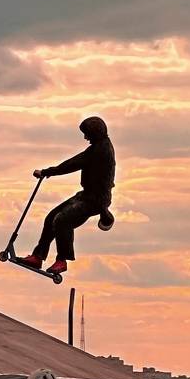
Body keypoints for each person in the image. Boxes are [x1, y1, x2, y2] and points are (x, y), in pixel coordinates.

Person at [22, 116, 116, 277]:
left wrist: (47, 172)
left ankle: (62, 260)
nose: (85, 137)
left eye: (87, 133)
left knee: (62, 220)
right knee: (51, 217)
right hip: (86, 195)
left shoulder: (101, 150)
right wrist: (48, 172)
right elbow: (75, 162)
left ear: (95, 132)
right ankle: (38, 256)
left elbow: (73, 164)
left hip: (95, 200)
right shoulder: (98, 146)